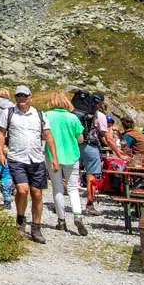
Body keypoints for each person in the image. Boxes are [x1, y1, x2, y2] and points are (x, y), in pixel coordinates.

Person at [0, 85, 58, 244]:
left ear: (30, 97)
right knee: (22, 191)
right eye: (18, 96)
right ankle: (20, 222)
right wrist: (1, 153)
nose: (21, 99)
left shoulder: (39, 114)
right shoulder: (8, 113)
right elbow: (1, 133)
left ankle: (36, 228)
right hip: (17, 158)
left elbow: (48, 135)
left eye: (24, 96)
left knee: (37, 194)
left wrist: (54, 158)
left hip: (36, 159)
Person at [43, 98, 88, 236]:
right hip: (71, 154)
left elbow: (43, 135)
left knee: (57, 187)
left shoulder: (47, 115)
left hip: (52, 155)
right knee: (73, 187)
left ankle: (61, 220)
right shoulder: (73, 117)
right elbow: (80, 138)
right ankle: (77, 215)